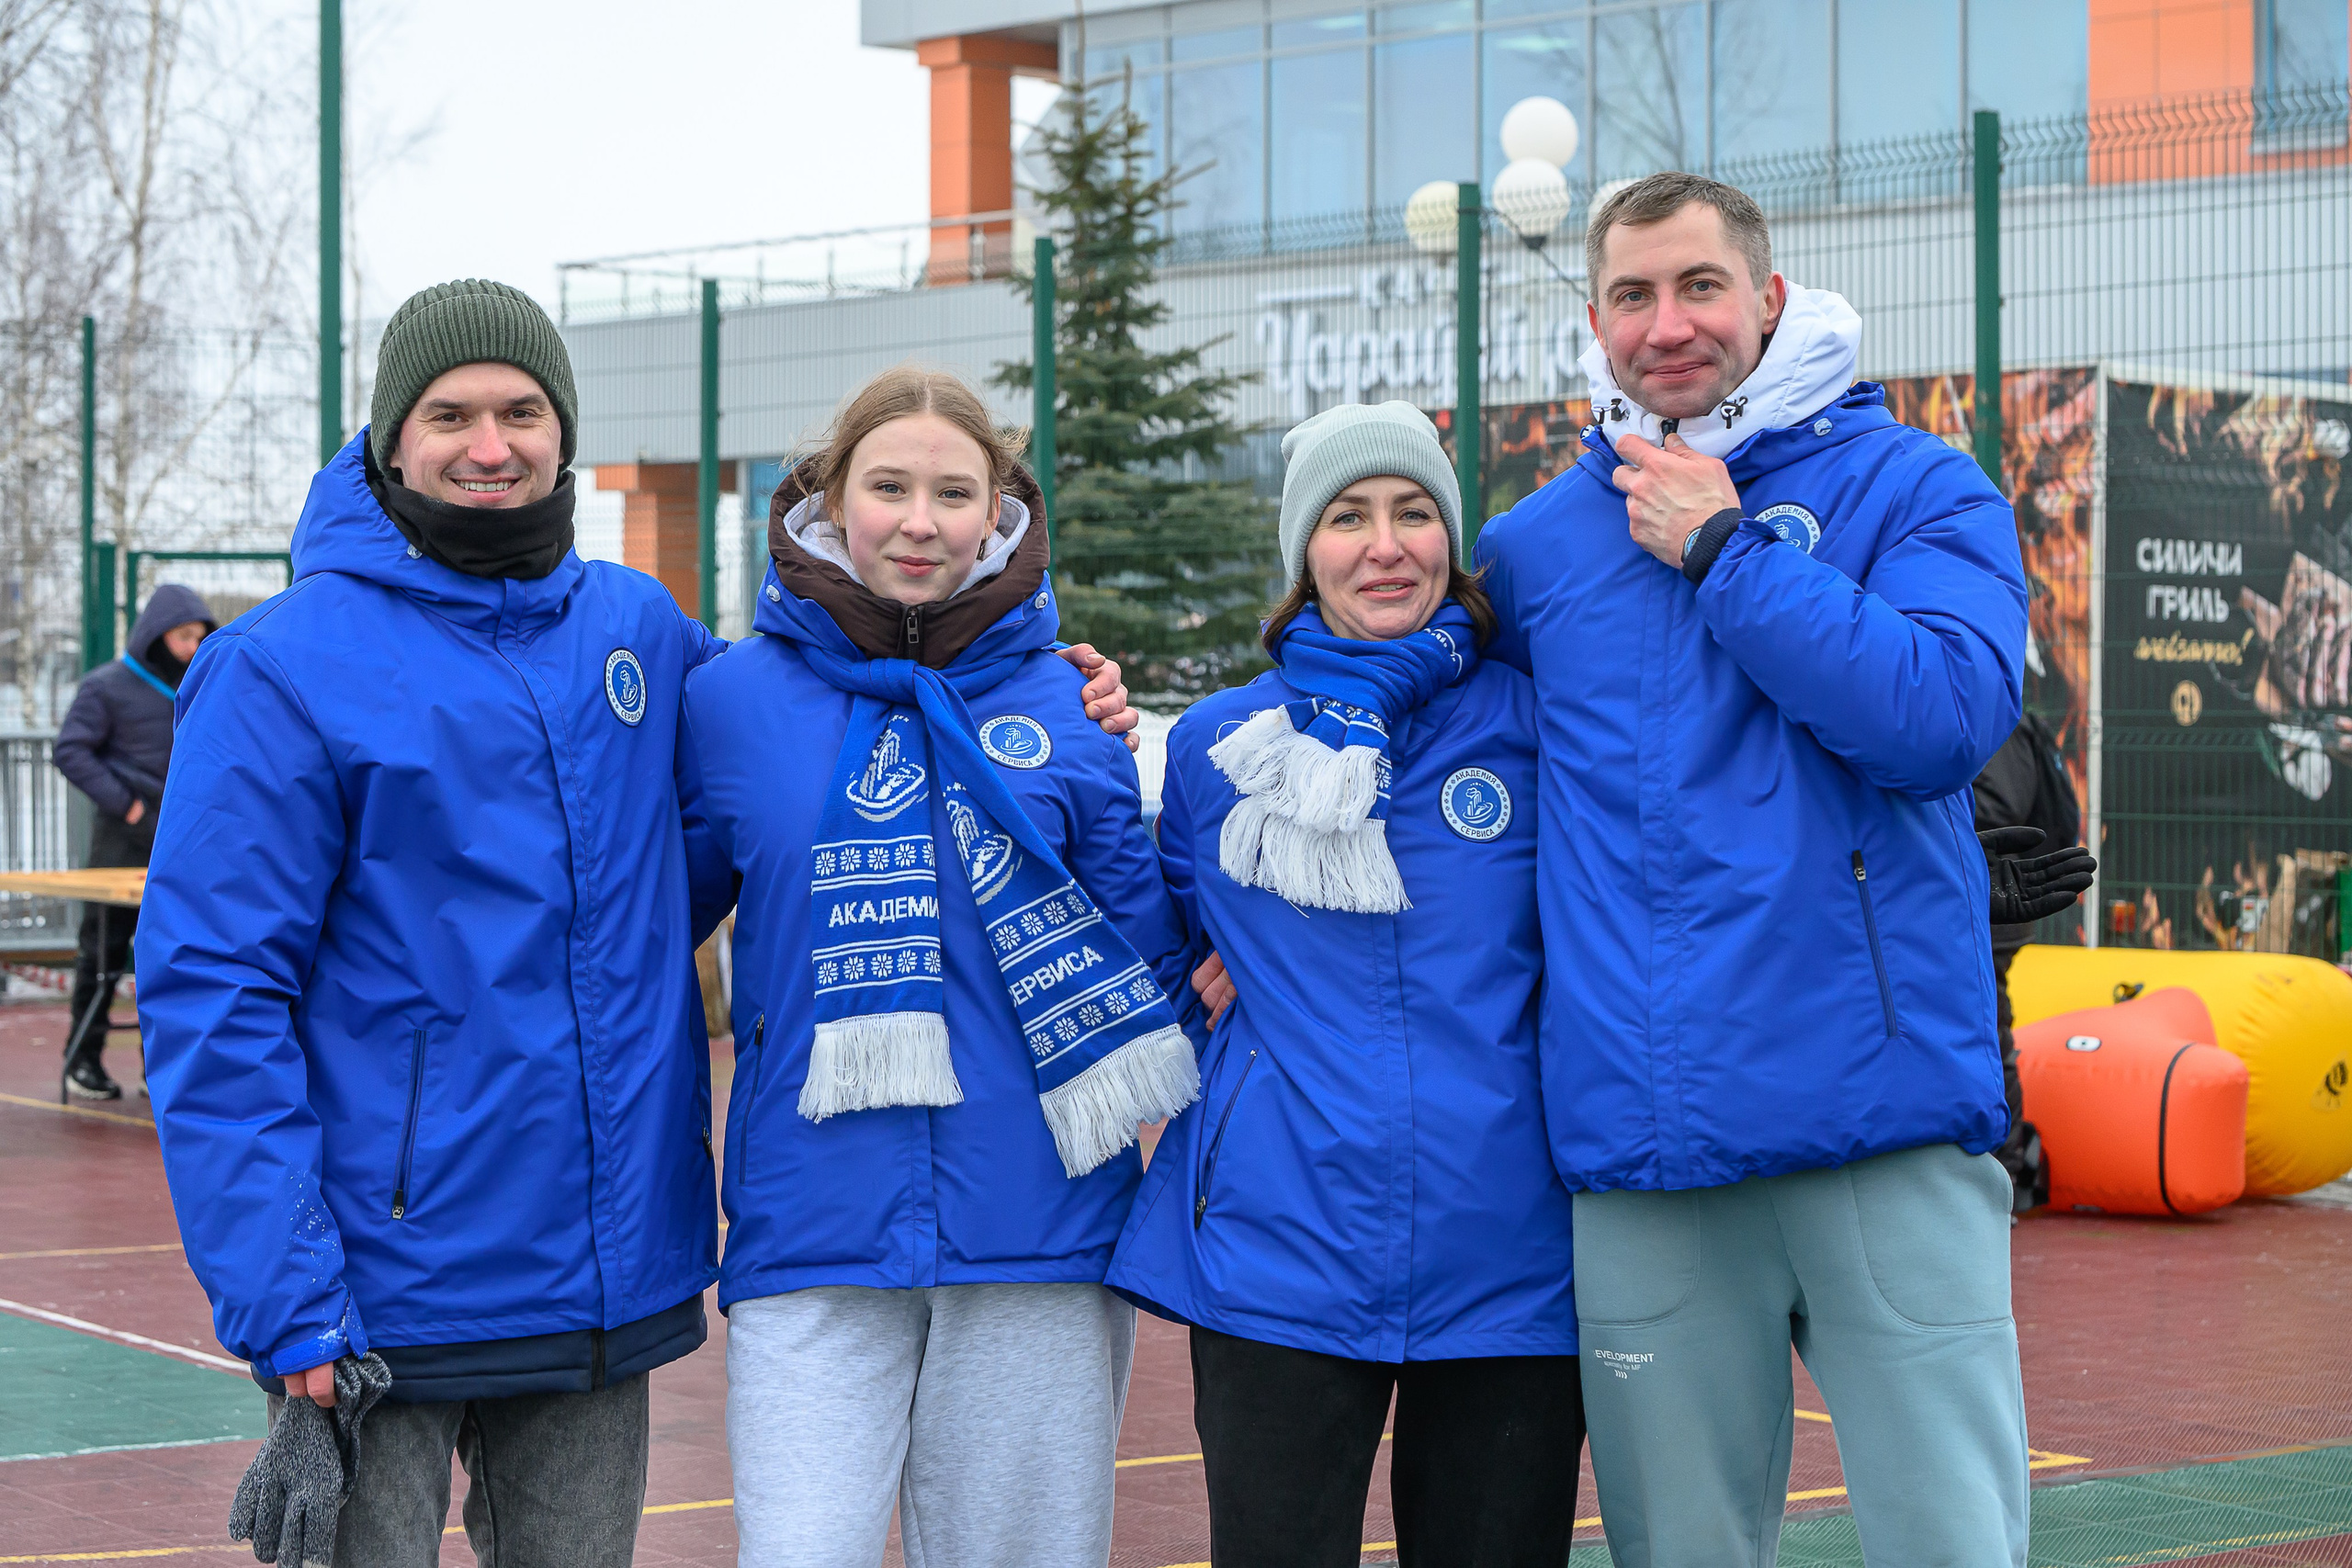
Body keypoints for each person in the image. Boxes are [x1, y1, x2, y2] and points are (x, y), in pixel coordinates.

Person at [136, 285, 1136, 1567]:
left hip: (597, 1288)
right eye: (450, 413)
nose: (489, 443)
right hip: (377, 1288)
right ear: (391, 439)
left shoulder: (636, 629)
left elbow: (821, 729)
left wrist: (1059, 688)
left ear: (565, 433)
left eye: (521, 410)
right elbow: (213, 997)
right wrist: (283, 1299)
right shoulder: (280, 662)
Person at [1470, 174, 2032, 1564]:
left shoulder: (1916, 485)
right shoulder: (1535, 547)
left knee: (1949, 1538)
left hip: (1880, 1111)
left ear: (1769, 299)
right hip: (1647, 1140)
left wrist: (1726, 552)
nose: (1670, 325)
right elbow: (1449, 773)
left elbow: (1942, 719)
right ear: (1594, 321)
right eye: (1634, 296)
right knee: (1680, 1548)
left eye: (1701, 286)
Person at [682, 367, 1200, 1568]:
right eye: (891, 486)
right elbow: (643, 925)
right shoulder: (732, 699)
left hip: (1041, 1227)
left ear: (999, 513)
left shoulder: (1072, 702)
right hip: (813, 1226)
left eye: (953, 492)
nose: (921, 520)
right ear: (828, 498)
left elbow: (1149, 954)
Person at [1107, 402, 1583, 1568]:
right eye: (1347, 517)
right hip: (1280, 1255)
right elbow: (1144, 947)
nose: (1385, 545)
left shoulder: (1539, 727)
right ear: (1301, 552)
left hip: (1511, 1260)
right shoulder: (1224, 750)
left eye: (1414, 513)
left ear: (1449, 541)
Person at [51, 582, 214, 1099]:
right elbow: (71, 749)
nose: (192, 646)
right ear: (155, 635)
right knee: (102, 952)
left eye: (199, 636)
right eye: (183, 636)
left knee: (170, 955)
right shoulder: (107, 686)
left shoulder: (204, 682)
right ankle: (84, 1059)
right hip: (121, 843)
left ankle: (158, 1066)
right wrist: (128, 805)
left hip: (179, 843)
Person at [1975, 709, 2090, 1210]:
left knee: (1989, 1028)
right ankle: (2005, 1164)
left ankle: (2007, 1168)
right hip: (1983, 894)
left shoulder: (1997, 724)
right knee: (1986, 1027)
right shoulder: (1990, 718)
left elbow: (2001, 811)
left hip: (1993, 897)